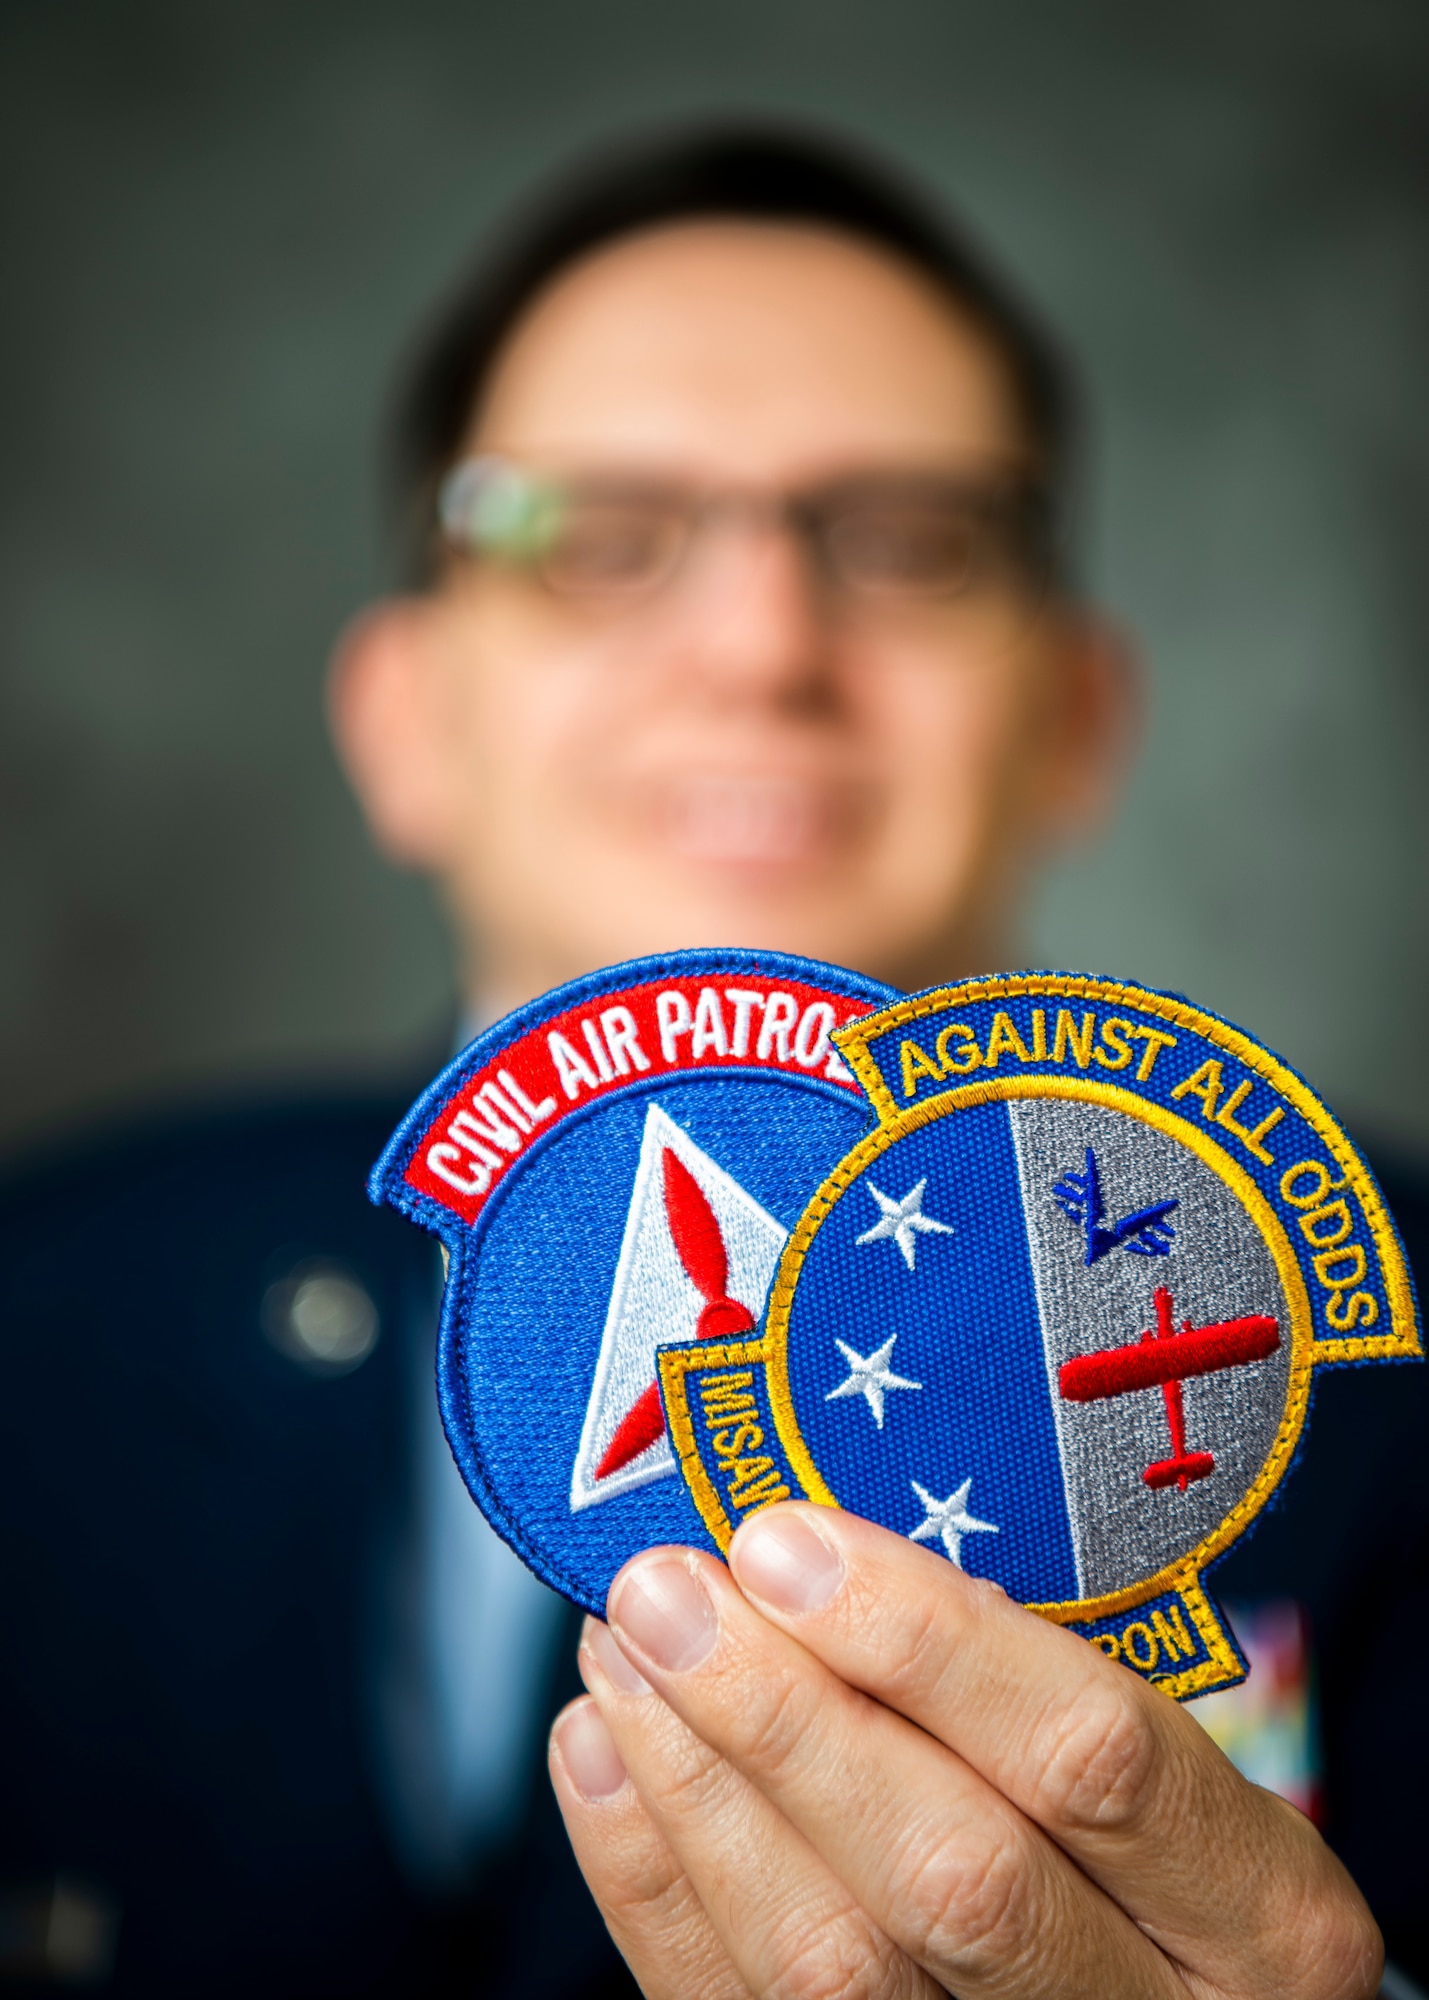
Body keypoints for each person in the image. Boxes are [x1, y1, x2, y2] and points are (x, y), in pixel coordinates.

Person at [0, 127, 1423, 1996]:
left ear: (1073, 717)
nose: (760, 644)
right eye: (589, 536)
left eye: (910, 539)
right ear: (402, 719)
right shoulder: (44, 1318)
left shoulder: (1381, 1366)